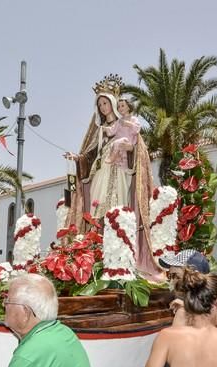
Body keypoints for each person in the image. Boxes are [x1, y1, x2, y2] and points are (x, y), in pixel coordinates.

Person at [65, 75, 161, 278]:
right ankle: (96, 245)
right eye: (99, 104)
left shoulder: (125, 124)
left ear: (114, 104)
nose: (102, 107)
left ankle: (120, 244)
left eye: (105, 102)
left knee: (118, 206)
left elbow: (138, 149)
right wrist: (77, 158)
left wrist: (130, 148)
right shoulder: (100, 130)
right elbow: (90, 154)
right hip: (102, 172)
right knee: (97, 208)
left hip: (119, 171)